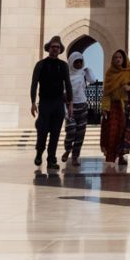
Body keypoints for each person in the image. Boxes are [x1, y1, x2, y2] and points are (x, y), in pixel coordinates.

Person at [100, 48, 130, 168]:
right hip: (113, 108)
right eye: (115, 57)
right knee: (113, 133)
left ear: (124, 59)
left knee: (124, 133)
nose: (118, 59)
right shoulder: (109, 73)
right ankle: (112, 156)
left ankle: (122, 156)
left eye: (120, 57)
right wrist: (105, 108)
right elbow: (106, 93)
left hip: (126, 107)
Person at [30, 35, 72, 169]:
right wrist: (32, 102)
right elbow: (34, 84)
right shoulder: (41, 64)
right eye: (53, 47)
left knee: (55, 132)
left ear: (60, 50)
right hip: (45, 103)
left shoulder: (63, 65)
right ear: (49, 48)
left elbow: (68, 84)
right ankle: (39, 153)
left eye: (57, 47)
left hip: (58, 103)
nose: (55, 49)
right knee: (42, 131)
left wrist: (70, 103)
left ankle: (51, 159)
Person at [63, 52, 92, 164]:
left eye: (81, 61)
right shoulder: (66, 76)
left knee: (80, 133)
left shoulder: (83, 74)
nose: (79, 64)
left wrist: (88, 70)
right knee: (71, 130)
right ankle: (67, 149)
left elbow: (93, 80)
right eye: (76, 62)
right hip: (70, 106)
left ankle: (75, 156)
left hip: (82, 106)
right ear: (71, 62)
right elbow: (63, 93)